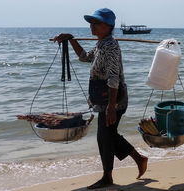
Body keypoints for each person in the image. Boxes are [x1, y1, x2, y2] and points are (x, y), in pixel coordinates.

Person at [54, 8, 148, 189]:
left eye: (96, 23)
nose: (92, 26)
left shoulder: (110, 46)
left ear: (108, 26)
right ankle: (139, 159)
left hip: (114, 100)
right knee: (107, 136)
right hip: (105, 100)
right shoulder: (101, 44)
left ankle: (108, 177)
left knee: (104, 137)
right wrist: (71, 38)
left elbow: (113, 77)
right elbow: (84, 57)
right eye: (91, 22)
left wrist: (111, 107)